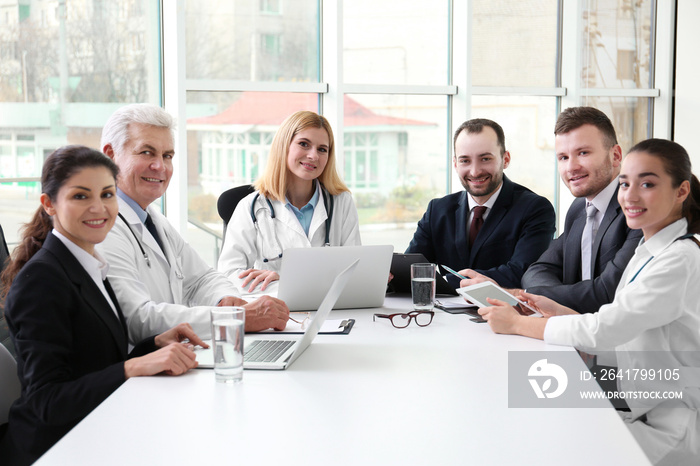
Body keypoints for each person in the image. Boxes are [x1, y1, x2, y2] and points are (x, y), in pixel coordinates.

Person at [479, 139, 700, 465]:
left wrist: (518, 324)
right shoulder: (650, 249)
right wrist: (555, 310)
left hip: (672, 423)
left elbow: (605, 330)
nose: (630, 195)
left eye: (648, 184)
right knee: (516, 399)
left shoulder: (679, 259)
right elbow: (623, 326)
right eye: (625, 183)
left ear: (681, 191)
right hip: (642, 400)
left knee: (544, 437)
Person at [0, 146, 206, 465]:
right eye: (81, 196)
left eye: (107, 195)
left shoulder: (88, 263)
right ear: (49, 204)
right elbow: (46, 400)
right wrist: (132, 367)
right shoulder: (42, 280)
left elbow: (95, 363)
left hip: (97, 427)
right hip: (56, 448)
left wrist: (153, 345)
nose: (99, 208)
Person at [97, 104, 289, 344]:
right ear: (110, 155)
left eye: (167, 156)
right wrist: (235, 317)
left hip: (177, 357)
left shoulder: (153, 219)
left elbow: (202, 278)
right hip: (137, 372)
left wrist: (225, 299)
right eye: (146, 152)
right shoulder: (101, 228)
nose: (160, 166)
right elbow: (137, 320)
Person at [461, 107, 643, 314]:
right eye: (563, 157)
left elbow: (607, 293)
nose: (571, 167)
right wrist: (534, 294)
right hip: (573, 330)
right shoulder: (579, 209)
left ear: (616, 156)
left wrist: (519, 294)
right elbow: (537, 270)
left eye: (583, 153)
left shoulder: (638, 211)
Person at [217, 110, 361, 292]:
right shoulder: (252, 207)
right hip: (275, 310)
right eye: (304, 144)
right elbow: (229, 275)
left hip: (331, 312)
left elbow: (354, 271)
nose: (313, 156)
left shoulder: (341, 203)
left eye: (322, 149)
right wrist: (286, 284)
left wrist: (287, 280)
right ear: (283, 146)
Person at [406, 118, 555, 289]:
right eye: (465, 160)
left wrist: (445, 282)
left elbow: (522, 271)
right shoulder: (438, 210)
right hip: (443, 314)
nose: (475, 171)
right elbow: (411, 268)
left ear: (505, 159)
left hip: (505, 312)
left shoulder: (535, 209)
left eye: (485, 159)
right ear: (455, 164)